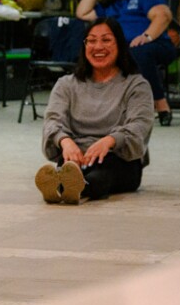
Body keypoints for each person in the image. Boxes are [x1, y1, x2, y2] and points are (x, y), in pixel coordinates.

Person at [36, 18, 155, 204]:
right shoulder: (66, 84)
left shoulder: (136, 85)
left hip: (118, 158)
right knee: (70, 168)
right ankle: (62, 184)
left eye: (106, 40)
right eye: (91, 41)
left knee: (101, 174)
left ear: (120, 45)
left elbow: (140, 125)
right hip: (74, 157)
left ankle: (70, 187)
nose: (98, 47)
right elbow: (53, 121)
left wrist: (109, 141)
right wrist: (66, 142)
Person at [76, 0, 175, 125]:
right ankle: (97, 109)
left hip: (155, 45)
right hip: (123, 50)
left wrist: (146, 36)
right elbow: (82, 13)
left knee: (139, 52)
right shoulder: (110, 5)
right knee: (94, 52)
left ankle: (160, 104)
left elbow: (163, 15)